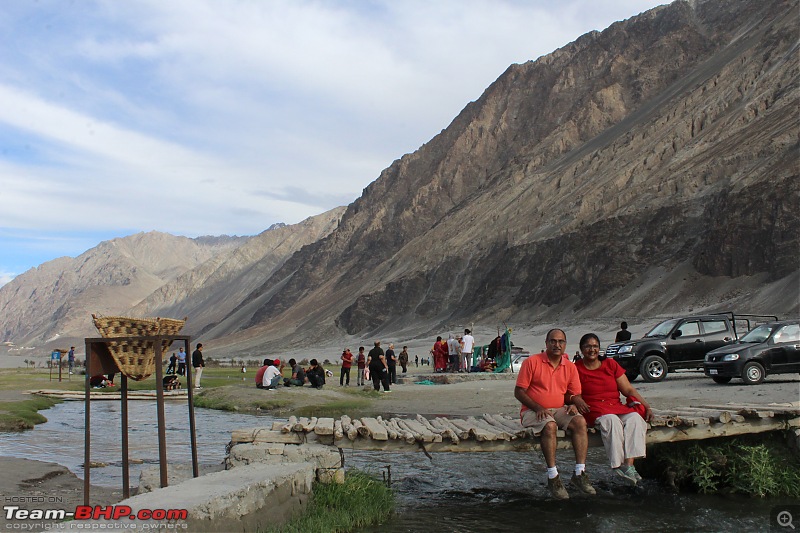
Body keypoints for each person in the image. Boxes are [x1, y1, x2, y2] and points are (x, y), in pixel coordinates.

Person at [514, 328, 595, 500]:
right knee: (549, 426)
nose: (556, 345)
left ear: (565, 345)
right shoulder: (532, 362)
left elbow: (575, 393)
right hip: (531, 410)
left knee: (580, 422)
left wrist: (573, 403)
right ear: (546, 343)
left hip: (559, 409)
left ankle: (579, 473)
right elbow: (519, 392)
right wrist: (537, 408)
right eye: (553, 341)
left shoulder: (570, 367)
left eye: (560, 342)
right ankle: (553, 477)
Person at [575, 333, 652, 485]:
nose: (592, 350)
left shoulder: (610, 364)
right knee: (611, 421)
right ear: (582, 349)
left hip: (615, 406)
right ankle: (617, 463)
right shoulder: (576, 368)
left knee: (635, 418)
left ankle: (629, 465)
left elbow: (628, 390)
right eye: (588, 346)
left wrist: (646, 406)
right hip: (594, 409)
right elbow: (571, 392)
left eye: (595, 346)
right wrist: (576, 401)